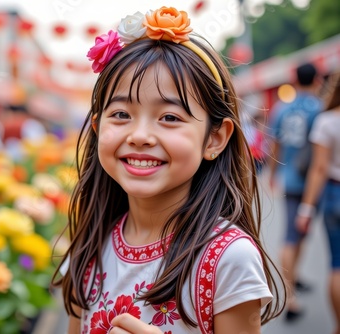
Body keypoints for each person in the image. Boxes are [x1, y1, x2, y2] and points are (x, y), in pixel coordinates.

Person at [51, 6, 284, 334]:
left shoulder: (228, 258)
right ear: (97, 126)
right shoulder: (90, 243)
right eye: (120, 114)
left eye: (170, 118)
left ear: (215, 139)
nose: (140, 136)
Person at [268, 62, 323, 321]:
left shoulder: (281, 107)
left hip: (289, 177)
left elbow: (275, 144)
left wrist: (272, 174)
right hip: (313, 180)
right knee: (293, 235)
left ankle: (294, 279)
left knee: (295, 233)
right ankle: (289, 298)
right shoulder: (318, 108)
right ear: (316, 80)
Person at [296, 71, 340, 334]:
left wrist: (306, 208)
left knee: (337, 264)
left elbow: (319, 168)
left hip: (335, 195)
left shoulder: (326, 121)